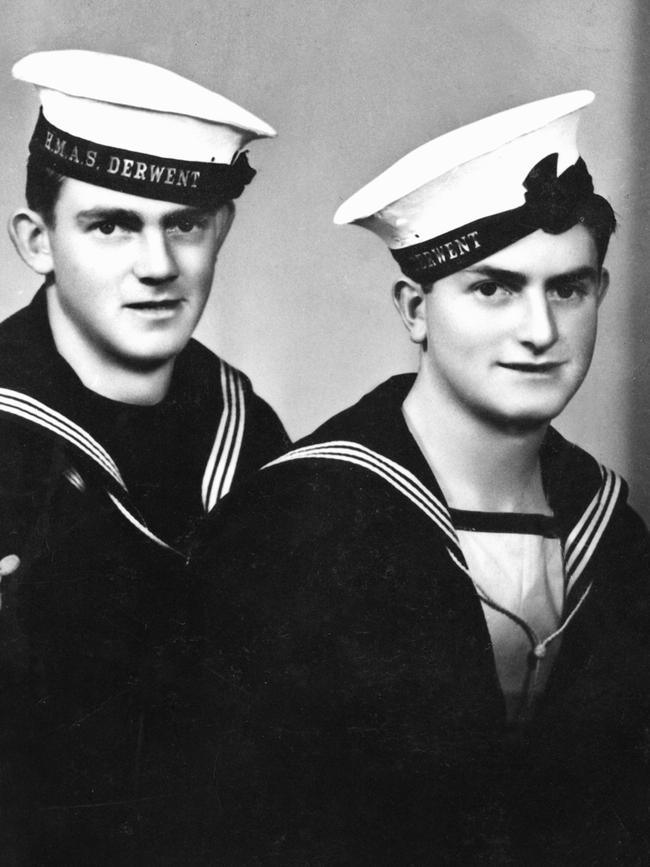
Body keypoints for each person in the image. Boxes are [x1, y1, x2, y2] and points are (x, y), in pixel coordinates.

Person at [192, 91, 650, 864]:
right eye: (493, 287)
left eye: (567, 288)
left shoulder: (616, 535)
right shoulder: (296, 523)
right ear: (415, 308)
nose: (540, 330)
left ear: (600, 292)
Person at [0, 50, 288, 863]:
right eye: (112, 224)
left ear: (219, 232)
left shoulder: (252, 436)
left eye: (184, 224)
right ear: (38, 240)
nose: (159, 266)